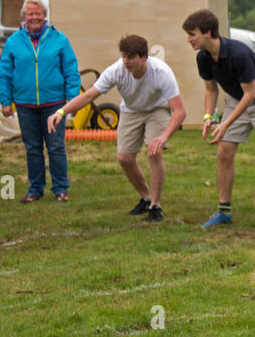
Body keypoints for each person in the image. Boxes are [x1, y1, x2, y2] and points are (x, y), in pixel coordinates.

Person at [48, 35, 186, 223]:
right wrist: (61, 112)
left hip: (157, 108)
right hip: (131, 110)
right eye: (124, 56)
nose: (126, 61)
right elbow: (89, 96)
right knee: (124, 158)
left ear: (144, 57)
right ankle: (146, 198)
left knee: (154, 152)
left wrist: (162, 137)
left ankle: (155, 205)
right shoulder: (116, 71)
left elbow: (179, 112)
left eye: (131, 57)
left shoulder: (161, 72)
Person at [183, 8, 255, 228]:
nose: (189, 39)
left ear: (207, 32)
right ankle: (224, 211)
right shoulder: (203, 58)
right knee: (224, 152)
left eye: (192, 34)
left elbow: (251, 94)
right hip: (237, 100)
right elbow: (211, 90)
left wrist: (225, 123)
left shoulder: (238, 53)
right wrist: (209, 116)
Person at [0, 0, 82, 202]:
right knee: (32, 148)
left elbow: (71, 72)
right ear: (24, 17)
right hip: (25, 105)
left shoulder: (59, 39)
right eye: (30, 14)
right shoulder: (13, 42)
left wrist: (72, 101)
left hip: (55, 105)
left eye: (38, 13)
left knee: (56, 147)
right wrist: (5, 100)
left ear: (44, 16)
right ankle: (35, 189)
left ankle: (61, 188)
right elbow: (5, 73)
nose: (34, 17)